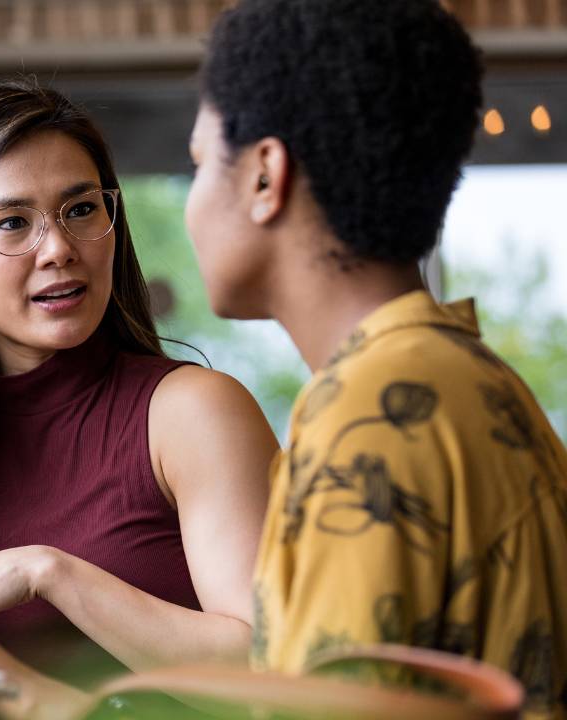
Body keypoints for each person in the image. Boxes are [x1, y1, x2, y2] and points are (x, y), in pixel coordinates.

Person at [0, 79, 278, 716]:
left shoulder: (191, 413)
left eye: (80, 209)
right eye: (12, 223)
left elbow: (266, 670)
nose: (58, 250)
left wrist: (54, 573)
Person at [184, 1, 567, 717]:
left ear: (266, 175)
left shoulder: (373, 415)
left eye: (201, 162)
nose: (191, 202)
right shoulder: (472, 382)